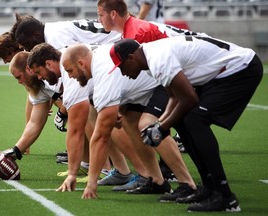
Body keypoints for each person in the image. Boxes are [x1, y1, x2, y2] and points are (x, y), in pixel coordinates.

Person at [108, 37, 263, 211]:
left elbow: (189, 99)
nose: (122, 73)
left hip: (241, 68)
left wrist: (161, 128)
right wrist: (160, 124)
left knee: (195, 120)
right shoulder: (150, 57)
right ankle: (209, 187)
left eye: (121, 67)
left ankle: (224, 195)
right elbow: (174, 96)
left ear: (131, 58)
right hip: (225, 71)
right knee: (183, 120)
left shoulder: (157, 58)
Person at [60, 42, 199, 199]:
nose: (70, 76)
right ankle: (156, 181)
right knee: (130, 121)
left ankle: (187, 184)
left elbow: (101, 137)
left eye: (70, 71)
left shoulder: (102, 72)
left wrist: (91, 183)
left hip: (163, 83)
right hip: (143, 90)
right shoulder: (97, 64)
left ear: (81, 63)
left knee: (148, 125)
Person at [97, 0, 196, 192]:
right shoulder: (129, 30)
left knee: (147, 124)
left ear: (113, 15)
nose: (98, 20)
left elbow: (141, 70)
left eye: (100, 15)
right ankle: (153, 178)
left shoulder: (135, 33)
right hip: (166, 77)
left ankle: (185, 181)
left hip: (179, 77)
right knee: (130, 118)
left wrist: (117, 101)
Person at [27, 43, 141, 190]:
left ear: (48, 63)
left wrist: (72, 175)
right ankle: (122, 171)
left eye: (38, 72)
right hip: (129, 86)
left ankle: (145, 174)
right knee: (104, 121)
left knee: (122, 124)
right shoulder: (68, 58)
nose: (39, 77)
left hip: (142, 84)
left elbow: (75, 131)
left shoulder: (72, 77)